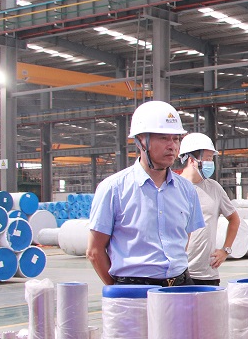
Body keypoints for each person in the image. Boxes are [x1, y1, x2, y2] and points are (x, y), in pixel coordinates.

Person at [87, 100, 204, 286]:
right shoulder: (113, 189)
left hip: (181, 285)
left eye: (176, 139)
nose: (172, 146)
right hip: (134, 289)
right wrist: (122, 290)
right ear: (141, 140)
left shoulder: (187, 190)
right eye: (163, 138)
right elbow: (94, 251)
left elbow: (183, 241)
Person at [178, 132, 240, 286]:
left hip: (207, 273)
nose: (210, 163)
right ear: (191, 160)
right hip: (178, 273)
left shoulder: (214, 188)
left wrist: (225, 250)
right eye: (207, 158)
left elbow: (234, 219)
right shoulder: (174, 187)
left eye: (211, 159)